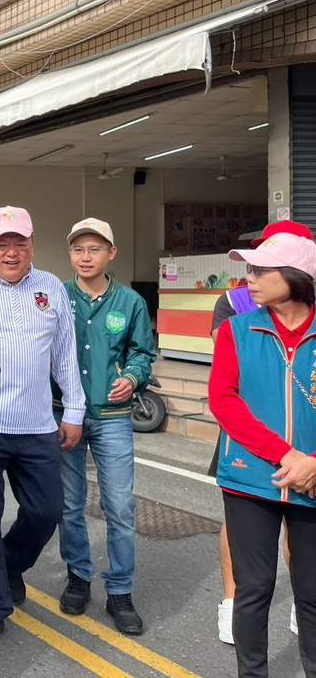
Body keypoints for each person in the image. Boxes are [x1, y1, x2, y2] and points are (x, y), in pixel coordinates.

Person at [0, 205, 85, 655]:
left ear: (31, 245)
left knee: (46, 511)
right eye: (3, 244)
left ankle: (9, 565)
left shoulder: (50, 286)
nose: (12, 253)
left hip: (37, 427)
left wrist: (75, 410)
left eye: (21, 243)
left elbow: (66, 353)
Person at [208, 232, 316, 677]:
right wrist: (286, 455)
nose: (248, 279)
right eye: (248, 269)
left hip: (313, 477)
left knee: (311, 593)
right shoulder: (238, 329)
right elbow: (223, 400)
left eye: (260, 270)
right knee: (253, 590)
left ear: (296, 275)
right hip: (251, 478)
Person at [53, 219, 155, 634]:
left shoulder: (130, 302)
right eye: (79, 250)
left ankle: (120, 591)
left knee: (120, 506)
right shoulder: (56, 297)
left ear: (111, 253)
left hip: (112, 419)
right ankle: (78, 577)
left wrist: (132, 377)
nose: (85, 257)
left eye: (95, 249)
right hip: (66, 415)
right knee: (69, 504)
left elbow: (143, 352)